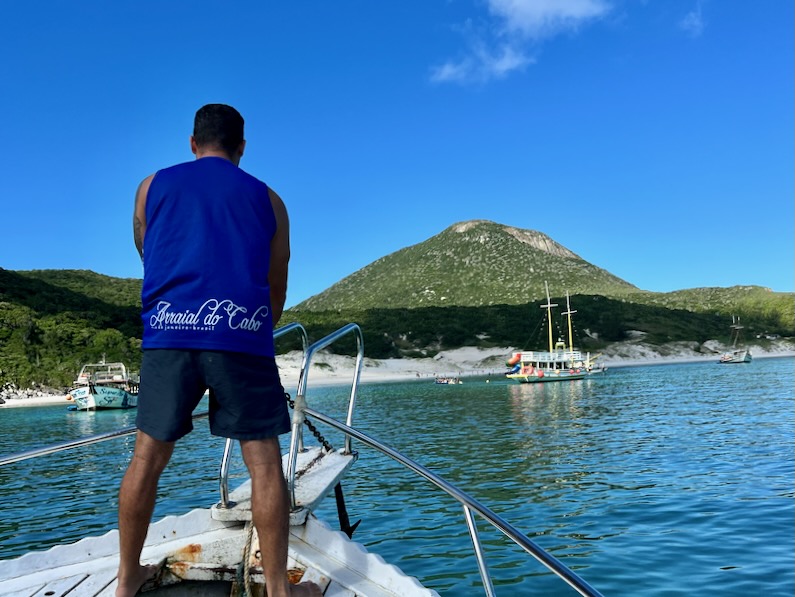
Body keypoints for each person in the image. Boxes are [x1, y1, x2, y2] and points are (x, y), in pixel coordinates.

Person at [116, 104, 321, 597]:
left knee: (146, 458)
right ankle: (277, 590)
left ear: (193, 142)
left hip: (170, 331)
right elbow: (278, 276)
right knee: (265, 464)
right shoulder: (269, 200)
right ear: (241, 148)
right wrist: (259, 324)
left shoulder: (150, 187)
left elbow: (147, 250)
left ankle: (125, 582)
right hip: (241, 333)